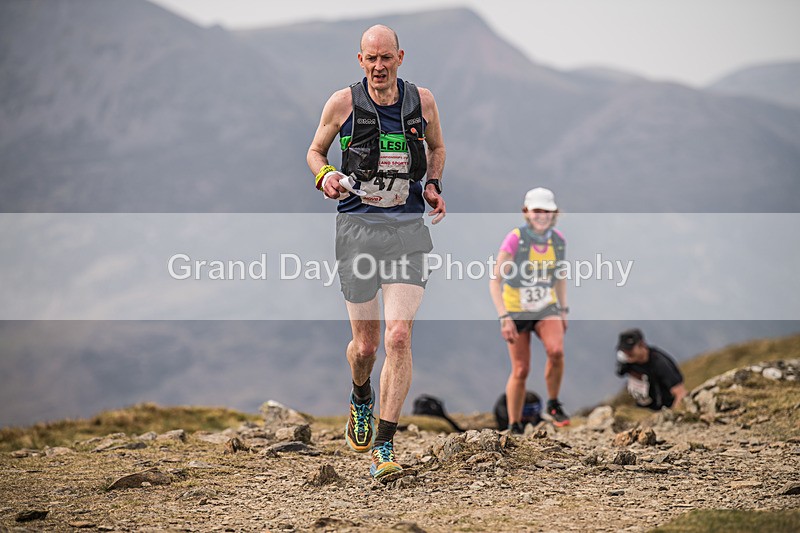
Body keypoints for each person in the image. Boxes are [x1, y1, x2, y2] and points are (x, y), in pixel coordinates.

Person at [306, 25, 446, 479]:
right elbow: (315, 151)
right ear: (360, 60)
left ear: (400, 57)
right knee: (365, 346)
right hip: (357, 232)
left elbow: (437, 147)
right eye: (372, 58)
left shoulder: (422, 101)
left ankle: (384, 446)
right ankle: (360, 394)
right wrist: (325, 175)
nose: (379, 66)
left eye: (387, 57)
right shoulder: (342, 103)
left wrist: (433, 184)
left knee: (398, 337)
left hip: (406, 231)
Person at [489, 187, 570, 433]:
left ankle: (553, 403)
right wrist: (504, 317)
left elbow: (560, 276)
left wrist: (563, 309)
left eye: (546, 211)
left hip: (546, 306)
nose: (541, 216)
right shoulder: (516, 239)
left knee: (556, 351)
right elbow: (495, 281)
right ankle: (514, 424)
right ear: (526, 212)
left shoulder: (558, 241)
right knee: (521, 369)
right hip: (516, 309)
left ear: (554, 213)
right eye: (537, 211)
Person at [616, 328, 687, 410]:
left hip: (663, 407)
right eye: (623, 350)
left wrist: (673, 413)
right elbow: (620, 373)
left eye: (629, 350)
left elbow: (680, 393)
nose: (627, 353)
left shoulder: (660, 364)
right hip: (641, 406)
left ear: (642, 345)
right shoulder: (627, 361)